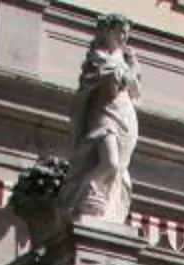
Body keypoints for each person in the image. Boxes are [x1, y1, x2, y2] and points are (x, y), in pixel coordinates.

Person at [66, 18, 140, 229]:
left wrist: (131, 69)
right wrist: (128, 72)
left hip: (124, 114)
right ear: (108, 32)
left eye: (126, 33)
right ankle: (85, 190)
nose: (124, 37)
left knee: (118, 167)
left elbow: (131, 85)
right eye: (120, 32)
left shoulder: (122, 59)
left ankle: (98, 196)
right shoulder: (97, 57)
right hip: (104, 114)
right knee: (111, 163)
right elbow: (110, 80)